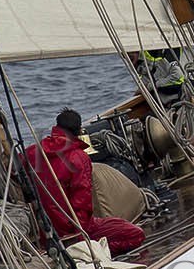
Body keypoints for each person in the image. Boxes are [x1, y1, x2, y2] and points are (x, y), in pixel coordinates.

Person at [25, 109, 145, 256]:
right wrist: (81, 240)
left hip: (48, 233)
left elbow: (13, 168)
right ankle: (96, 252)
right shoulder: (79, 158)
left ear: (56, 128)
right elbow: (82, 202)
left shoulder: (32, 153)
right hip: (75, 230)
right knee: (135, 234)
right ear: (79, 130)